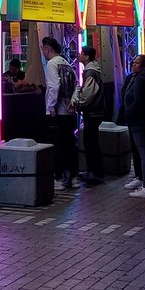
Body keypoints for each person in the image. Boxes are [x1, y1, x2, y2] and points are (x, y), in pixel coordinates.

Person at [41, 36, 78, 190]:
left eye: (43, 49)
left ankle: (59, 178)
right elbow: (77, 86)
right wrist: (73, 102)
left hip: (57, 112)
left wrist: (51, 107)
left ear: (47, 49)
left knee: (57, 146)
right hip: (70, 112)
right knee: (70, 144)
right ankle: (73, 178)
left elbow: (54, 86)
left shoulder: (51, 64)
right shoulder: (67, 63)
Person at [118, 54, 145, 198]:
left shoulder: (142, 80)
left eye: (137, 63)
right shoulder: (140, 78)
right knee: (143, 151)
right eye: (133, 62)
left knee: (144, 151)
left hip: (139, 121)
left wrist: (129, 113)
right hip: (141, 120)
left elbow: (138, 101)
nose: (133, 65)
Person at [72, 45, 105, 185]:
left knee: (90, 142)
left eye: (81, 53)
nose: (79, 55)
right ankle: (94, 171)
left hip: (92, 112)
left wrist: (78, 103)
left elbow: (88, 94)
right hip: (96, 111)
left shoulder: (90, 72)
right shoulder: (93, 70)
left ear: (86, 56)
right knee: (92, 141)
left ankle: (94, 172)